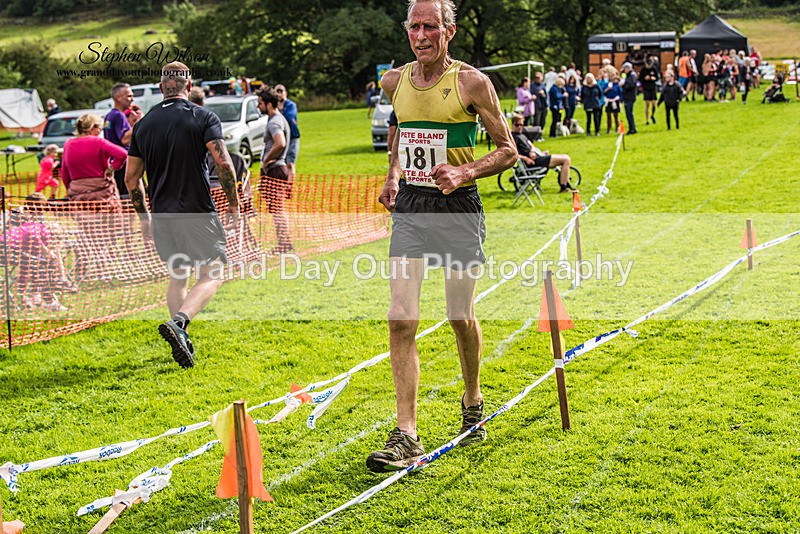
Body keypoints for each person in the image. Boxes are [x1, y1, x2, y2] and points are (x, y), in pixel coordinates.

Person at [369, 0, 516, 473]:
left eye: (430, 26)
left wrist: (464, 171)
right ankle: (406, 433)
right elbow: (399, 130)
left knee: (459, 315)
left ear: (448, 31)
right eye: (414, 26)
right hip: (412, 207)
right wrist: (393, 175)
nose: (421, 35)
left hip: (457, 207)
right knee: (400, 319)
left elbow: (508, 150)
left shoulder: (472, 82)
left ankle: (472, 399)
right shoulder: (393, 82)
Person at [125, 62, 240, 369]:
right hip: (197, 211)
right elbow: (223, 163)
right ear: (189, 86)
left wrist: (144, 218)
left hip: (162, 215)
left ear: (161, 87)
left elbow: (131, 179)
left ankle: (182, 338)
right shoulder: (203, 116)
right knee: (213, 274)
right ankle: (179, 323)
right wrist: (234, 205)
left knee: (178, 276)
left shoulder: (143, 125)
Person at [256, 85, 293, 254]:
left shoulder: (275, 122)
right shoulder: (278, 119)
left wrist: (266, 160)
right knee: (276, 209)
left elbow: (280, 143)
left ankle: (284, 244)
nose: (258, 107)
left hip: (276, 169)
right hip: (277, 168)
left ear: (269, 105)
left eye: (260, 103)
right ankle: (283, 242)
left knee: (277, 210)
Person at [61, 114, 127, 205]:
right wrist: (111, 168)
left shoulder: (68, 144)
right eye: (99, 128)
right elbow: (122, 154)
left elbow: (64, 172)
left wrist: (70, 189)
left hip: (78, 193)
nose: (100, 132)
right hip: (102, 190)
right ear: (92, 128)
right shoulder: (99, 142)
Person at [511, 115, 574, 192]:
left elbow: (531, 145)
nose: (520, 127)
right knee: (566, 159)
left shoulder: (522, 135)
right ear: (513, 124)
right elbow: (513, 154)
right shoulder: (513, 137)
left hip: (537, 157)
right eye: (517, 125)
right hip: (534, 162)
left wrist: (533, 151)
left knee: (565, 157)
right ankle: (564, 186)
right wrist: (526, 159)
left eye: (522, 125)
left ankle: (566, 184)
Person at [104, 83, 143, 197]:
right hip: (123, 163)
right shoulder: (119, 116)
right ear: (118, 97)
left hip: (114, 161)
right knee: (129, 194)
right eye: (129, 96)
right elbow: (125, 140)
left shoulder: (109, 115)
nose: (132, 99)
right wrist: (138, 123)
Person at [275, 84, 301, 182]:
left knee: (290, 163)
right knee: (282, 163)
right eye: (277, 92)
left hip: (292, 138)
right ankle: (284, 183)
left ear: (285, 93)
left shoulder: (291, 105)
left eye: (281, 92)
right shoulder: (274, 106)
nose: (279, 94)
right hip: (280, 137)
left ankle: (290, 186)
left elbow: (289, 117)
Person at [639, 57, 659, 125]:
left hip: (652, 88)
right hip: (646, 88)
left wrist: (654, 78)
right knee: (647, 104)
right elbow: (640, 79)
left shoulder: (654, 69)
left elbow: (657, 77)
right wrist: (644, 78)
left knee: (654, 104)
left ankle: (652, 115)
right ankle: (647, 120)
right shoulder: (643, 70)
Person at [621, 62, 638, 134]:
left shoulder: (632, 75)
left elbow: (631, 85)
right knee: (628, 113)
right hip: (627, 96)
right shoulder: (628, 75)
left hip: (630, 96)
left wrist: (623, 85)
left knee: (629, 113)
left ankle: (632, 128)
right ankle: (631, 128)